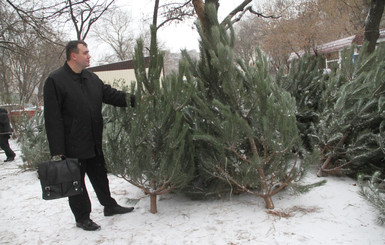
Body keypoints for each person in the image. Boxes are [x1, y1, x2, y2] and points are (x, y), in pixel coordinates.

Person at [43, 40, 136, 231]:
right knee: (77, 184)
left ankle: (109, 205)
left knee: (100, 176)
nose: (89, 56)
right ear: (73, 56)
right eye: (85, 52)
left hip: (93, 140)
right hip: (72, 145)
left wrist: (137, 99)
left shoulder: (91, 78)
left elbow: (112, 95)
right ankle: (82, 217)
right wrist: (58, 150)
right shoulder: (55, 80)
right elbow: (52, 118)